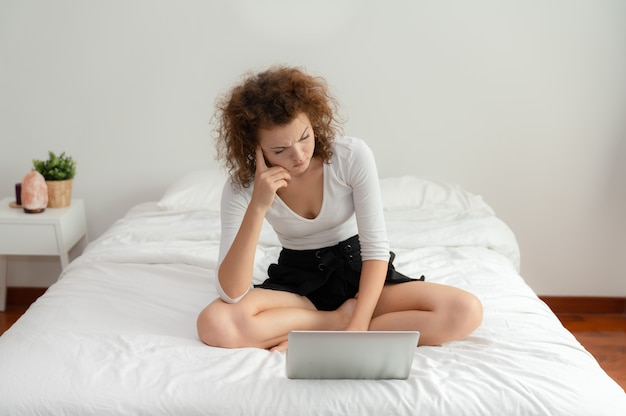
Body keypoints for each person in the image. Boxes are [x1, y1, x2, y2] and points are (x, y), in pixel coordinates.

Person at [197, 66, 483, 352]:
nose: (298, 155)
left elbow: (375, 248)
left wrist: (358, 326)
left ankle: (335, 325)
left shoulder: (350, 156)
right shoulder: (242, 188)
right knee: (214, 323)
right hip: (299, 283)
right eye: (280, 150)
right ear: (255, 148)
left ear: (313, 120)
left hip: (360, 273)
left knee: (465, 310)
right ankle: (332, 321)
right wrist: (258, 206)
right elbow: (232, 292)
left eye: (304, 137)